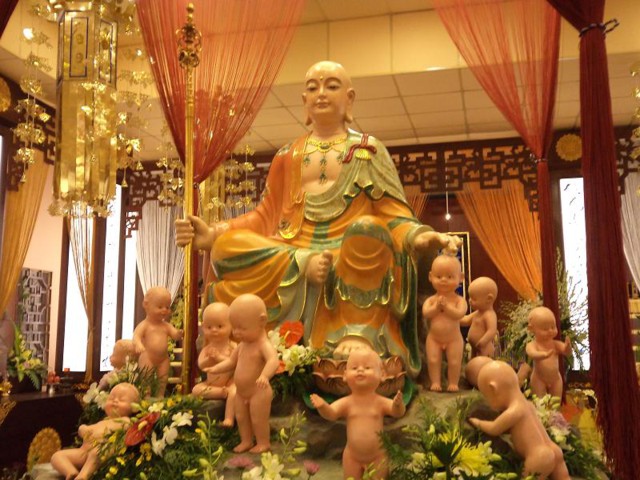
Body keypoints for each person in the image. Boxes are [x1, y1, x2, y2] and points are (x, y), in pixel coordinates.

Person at [175, 61, 459, 379]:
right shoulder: (287, 155)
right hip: (293, 249)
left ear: (349, 98)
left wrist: (420, 236)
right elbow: (266, 215)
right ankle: (303, 265)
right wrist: (214, 233)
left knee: (369, 230)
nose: (321, 93)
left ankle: (355, 331)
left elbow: (394, 216)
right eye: (313, 87)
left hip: (349, 251)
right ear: (304, 101)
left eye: (332, 86)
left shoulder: (368, 150)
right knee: (226, 248)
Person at [310, 348, 406, 480]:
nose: (360, 370)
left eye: (367, 367)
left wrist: (397, 405)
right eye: (354, 368)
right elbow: (332, 414)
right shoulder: (347, 402)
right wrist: (323, 407)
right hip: (352, 457)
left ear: (382, 374)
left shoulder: (380, 402)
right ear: (344, 375)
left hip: (378, 456)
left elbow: (397, 413)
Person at [468, 360, 570, 480]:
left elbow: (494, 428)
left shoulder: (514, 410)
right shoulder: (528, 404)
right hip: (553, 449)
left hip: (538, 457)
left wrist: (477, 422)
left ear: (493, 389)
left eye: (487, 396)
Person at [205, 294, 279, 453]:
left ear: (262, 322)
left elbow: (273, 360)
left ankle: (263, 442)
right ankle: (246, 441)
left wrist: (265, 376)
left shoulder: (263, 344)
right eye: (235, 327)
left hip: (258, 391)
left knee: (258, 419)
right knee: (241, 417)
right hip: (240, 392)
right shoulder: (242, 345)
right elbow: (231, 362)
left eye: (243, 328)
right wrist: (215, 368)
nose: (237, 333)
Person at [51, 382, 140, 480]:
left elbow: (116, 433)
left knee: (96, 453)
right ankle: (71, 472)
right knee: (57, 456)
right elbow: (90, 429)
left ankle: (83, 476)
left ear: (134, 408)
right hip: (83, 452)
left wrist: (94, 434)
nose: (115, 401)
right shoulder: (104, 420)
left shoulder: (125, 421)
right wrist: (83, 429)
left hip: (102, 453)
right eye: (111, 398)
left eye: (122, 400)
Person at [422, 254, 467, 392]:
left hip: (454, 339)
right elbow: (426, 313)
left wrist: (446, 307)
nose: (443, 280)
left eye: (449, 277)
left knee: (454, 361)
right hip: (434, 338)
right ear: (430, 277)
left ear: (461, 278)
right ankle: (435, 382)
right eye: (439, 276)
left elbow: (459, 314)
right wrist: (436, 307)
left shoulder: (459, 300)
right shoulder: (431, 300)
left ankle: (453, 383)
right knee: (433, 360)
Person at [192, 302, 237, 427]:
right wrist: (209, 359)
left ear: (231, 326)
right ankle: (220, 393)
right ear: (203, 327)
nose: (214, 330)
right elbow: (201, 365)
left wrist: (219, 357)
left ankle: (229, 418)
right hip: (211, 383)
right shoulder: (207, 348)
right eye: (209, 327)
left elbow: (235, 363)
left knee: (234, 392)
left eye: (220, 326)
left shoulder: (232, 346)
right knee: (196, 390)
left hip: (230, 382)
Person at [133, 286, 183, 397]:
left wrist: (178, 334)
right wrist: (138, 344)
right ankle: (146, 396)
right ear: (146, 305)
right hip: (148, 357)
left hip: (163, 358)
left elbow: (174, 334)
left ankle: (160, 396)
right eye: (160, 307)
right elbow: (136, 336)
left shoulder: (166, 326)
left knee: (163, 378)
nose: (164, 310)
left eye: (167, 307)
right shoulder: (145, 325)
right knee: (147, 378)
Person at [526, 306, 571, 399]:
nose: (550, 331)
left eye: (553, 327)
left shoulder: (555, 344)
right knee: (540, 403)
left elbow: (566, 352)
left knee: (556, 402)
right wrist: (543, 354)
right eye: (545, 329)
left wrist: (567, 346)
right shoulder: (533, 344)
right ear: (531, 329)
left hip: (556, 379)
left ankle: (555, 409)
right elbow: (531, 353)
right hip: (539, 379)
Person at [461, 277, 498, 358]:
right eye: (470, 298)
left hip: (484, 348)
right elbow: (466, 320)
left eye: (474, 299)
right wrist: (454, 317)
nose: (470, 301)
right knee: (473, 363)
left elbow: (491, 331)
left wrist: (483, 342)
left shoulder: (489, 315)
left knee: (482, 363)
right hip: (474, 348)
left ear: (489, 299)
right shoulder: (477, 313)